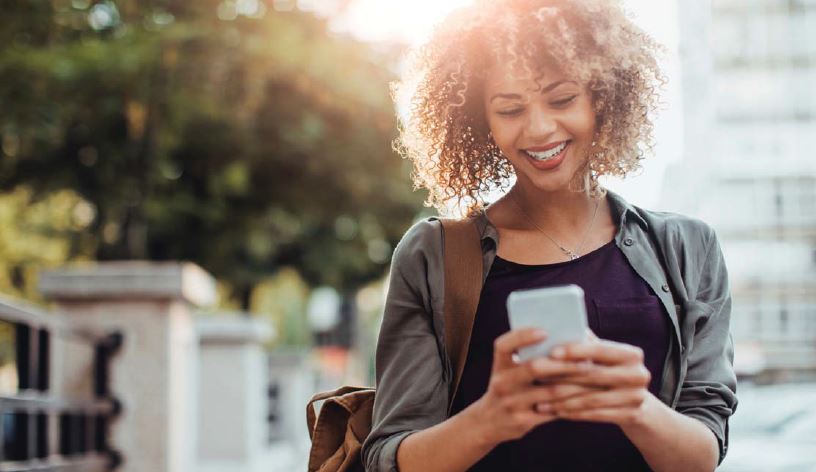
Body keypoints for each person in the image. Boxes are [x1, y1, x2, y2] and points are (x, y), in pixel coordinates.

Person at [361, 1, 737, 471]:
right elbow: (387, 457)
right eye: (510, 109)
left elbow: (703, 455)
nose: (539, 129)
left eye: (561, 100)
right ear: (483, 121)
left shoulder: (688, 248)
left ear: (602, 96)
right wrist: (493, 417)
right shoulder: (432, 256)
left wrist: (633, 406)